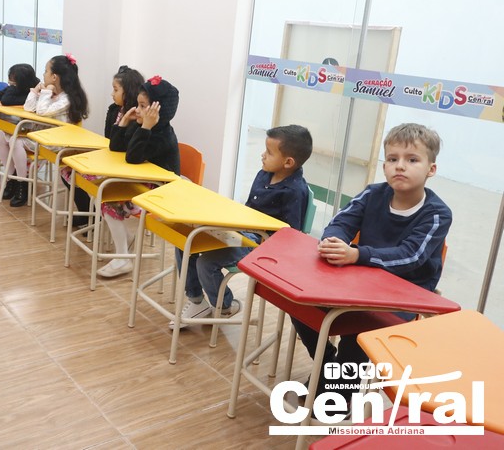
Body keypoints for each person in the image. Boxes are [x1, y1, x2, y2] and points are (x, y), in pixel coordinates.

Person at [291, 122, 452, 407]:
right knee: (299, 303)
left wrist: (357, 255)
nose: (400, 166)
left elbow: (411, 256)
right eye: (392, 159)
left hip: (403, 297)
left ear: (431, 169)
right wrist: (332, 242)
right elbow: (340, 223)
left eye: (412, 160)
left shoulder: (438, 214)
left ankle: (340, 395)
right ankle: (327, 365)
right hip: (360, 284)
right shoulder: (373, 193)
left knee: (359, 332)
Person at [171, 125, 312, 328]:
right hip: (240, 230)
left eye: (269, 152)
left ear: (288, 162)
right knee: (185, 243)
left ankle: (225, 306)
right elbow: (248, 209)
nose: (263, 155)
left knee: (205, 263)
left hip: (259, 245)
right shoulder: (264, 174)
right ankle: (197, 301)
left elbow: (290, 234)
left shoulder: (295, 191)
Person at [96, 75, 180, 278]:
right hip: (143, 183)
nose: (138, 110)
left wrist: (146, 127)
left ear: (158, 112)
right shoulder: (140, 126)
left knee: (110, 204)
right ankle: (125, 240)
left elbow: (133, 157)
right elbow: (116, 147)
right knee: (101, 191)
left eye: (143, 106)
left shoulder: (162, 134)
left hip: (160, 192)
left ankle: (123, 258)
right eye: (138, 104)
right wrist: (124, 121)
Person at [0, 53, 89, 208]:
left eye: (46, 71)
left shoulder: (66, 99)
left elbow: (42, 111)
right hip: (40, 137)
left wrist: (45, 92)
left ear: (54, 77)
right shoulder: (51, 94)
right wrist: (35, 92)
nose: (43, 75)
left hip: (54, 142)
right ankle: (11, 179)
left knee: (15, 141)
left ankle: (22, 184)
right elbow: (28, 108)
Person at [63, 65, 144, 226]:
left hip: (124, 167)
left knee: (80, 173)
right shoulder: (114, 110)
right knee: (67, 169)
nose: (112, 94)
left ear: (128, 92)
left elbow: (125, 148)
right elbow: (109, 139)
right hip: (110, 159)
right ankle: (89, 213)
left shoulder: (137, 117)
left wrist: (124, 122)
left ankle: (94, 214)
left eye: (115, 90)